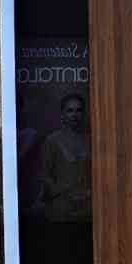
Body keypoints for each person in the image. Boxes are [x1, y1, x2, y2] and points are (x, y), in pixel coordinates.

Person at [35, 92, 91, 222]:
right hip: (61, 208)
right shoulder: (52, 140)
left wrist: (89, 194)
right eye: (70, 110)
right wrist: (59, 192)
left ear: (83, 114)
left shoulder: (90, 140)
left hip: (87, 207)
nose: (74, 115)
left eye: (78, 110)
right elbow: (45, 175)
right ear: (62, 114)